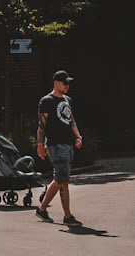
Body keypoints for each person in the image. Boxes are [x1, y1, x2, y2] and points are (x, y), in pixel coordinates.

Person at [35, 69, 82, 226]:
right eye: (64, 83)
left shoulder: (67, 100)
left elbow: (72, 120)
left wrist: (78, 136)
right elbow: (42, 125)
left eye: (68, 83)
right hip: (55, 144)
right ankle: (67, 216)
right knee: (64, 181)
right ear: (56, 83)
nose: (67, 86)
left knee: (60, 178)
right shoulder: (46, 101)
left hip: (68, 143)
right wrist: (40, 145)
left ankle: (41, 209)